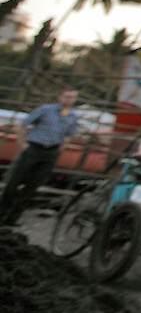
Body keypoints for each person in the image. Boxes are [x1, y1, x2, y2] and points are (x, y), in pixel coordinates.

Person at [0, 90, 80, 226]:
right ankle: (2, 213)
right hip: (34, 148)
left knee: (32, 187)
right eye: (67, 96)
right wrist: (23, 144)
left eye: (72, 97)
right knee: (14, 182)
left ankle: (13, 218)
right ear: (61, 97)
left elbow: (68, 135)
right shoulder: (46, 109)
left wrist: (58, 151)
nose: (69, 100)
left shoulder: (73, 117)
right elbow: (23, 124)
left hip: (51, 152)